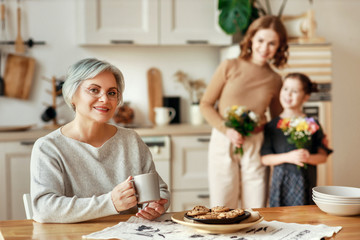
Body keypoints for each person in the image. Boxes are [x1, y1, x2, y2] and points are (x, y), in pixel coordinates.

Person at [30, 58, 170, 223]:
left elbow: (159, 191)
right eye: (94, 90)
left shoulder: (131, 140)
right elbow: (44, 209)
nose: (105, 99)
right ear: (72, 95)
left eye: (111, 93)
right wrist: (110, 203)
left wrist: (155, 205)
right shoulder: (48, 147)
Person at [200, 15, 288, 209]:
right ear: (251, 40)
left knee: (255, 209)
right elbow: (205, 104)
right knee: (222, 207)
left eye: (272, 43)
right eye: (261, 41)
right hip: (224, 140)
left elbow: (277, 120)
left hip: (256, 144)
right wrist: (226, 129)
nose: (265, 48)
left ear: (279, 47)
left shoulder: (274, 79)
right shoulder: (229, 66)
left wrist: (307, 134)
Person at [261, 72, 332, 207]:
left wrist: (308, 157)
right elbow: (265, 158)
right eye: (285, 89)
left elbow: (323, 156)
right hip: (280, 184)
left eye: (294, 91)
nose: (288, 94)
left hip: (306, 183)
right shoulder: (272, 126)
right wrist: (289, 157)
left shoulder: (312, 124)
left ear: (305, 97)